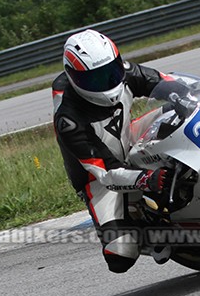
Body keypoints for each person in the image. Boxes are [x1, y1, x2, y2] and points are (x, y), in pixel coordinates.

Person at [51, 28, 176, 273]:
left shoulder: (123, 72)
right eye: (94, 79)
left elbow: (166, 82)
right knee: (120, 256)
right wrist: (146, 179)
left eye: (110, 72)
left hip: (130, 138)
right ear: (74, 77)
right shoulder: (69, 119)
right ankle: (151, 234)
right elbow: (105, 173)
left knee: (180, 113)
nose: (107, 83)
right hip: (98, 179)